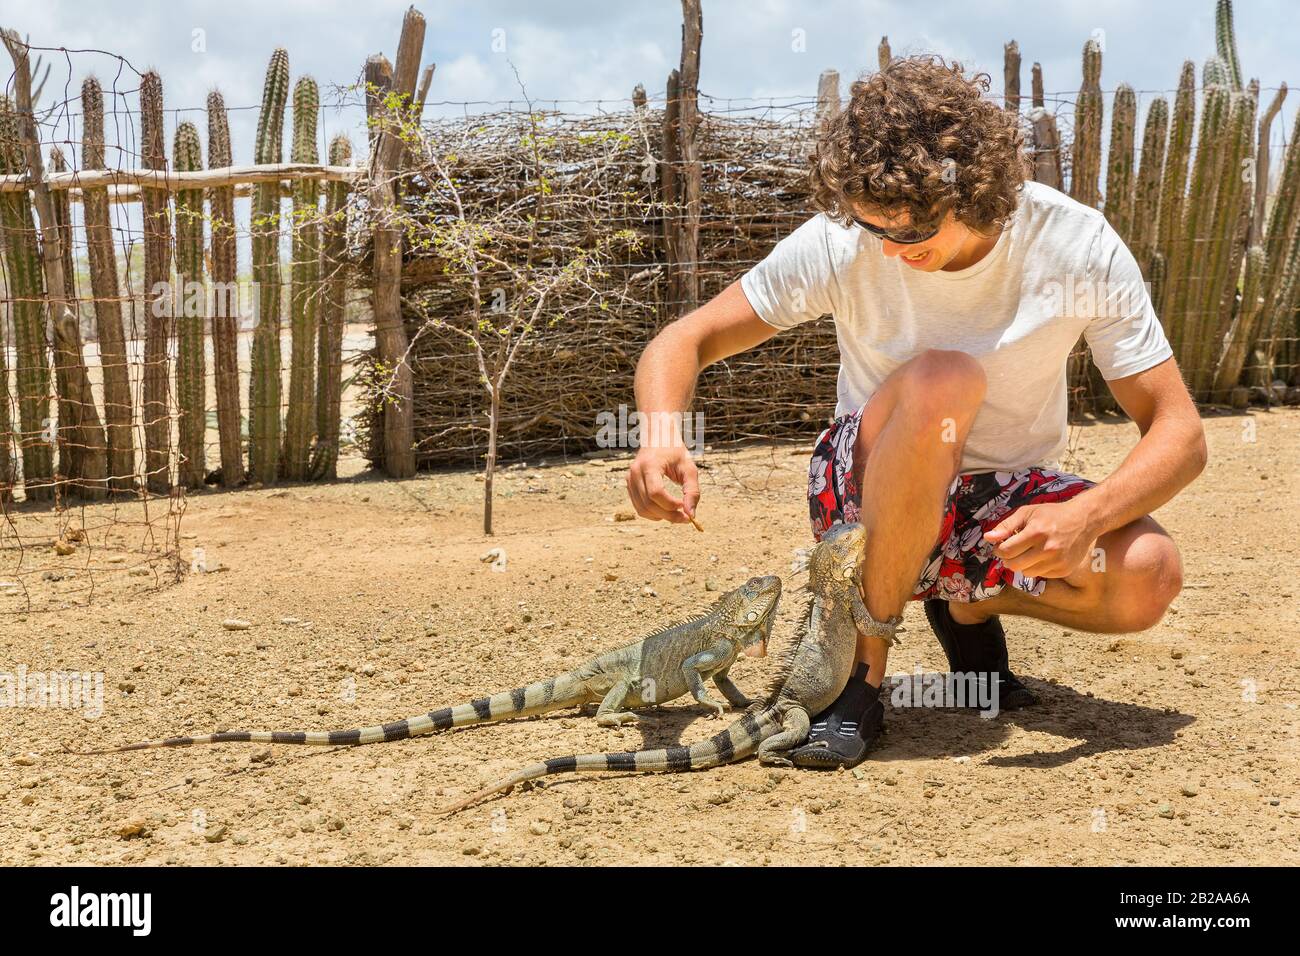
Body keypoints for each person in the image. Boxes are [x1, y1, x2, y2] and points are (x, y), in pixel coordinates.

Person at [625, 55, 1206, 768]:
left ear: (977, 191)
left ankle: (966, 604)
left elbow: (1179, 431)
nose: (892, 253)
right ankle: (861, 678)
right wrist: (658, 439)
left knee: (1150, 572)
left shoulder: (1076, 245)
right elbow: (685, 339)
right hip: (866, 487)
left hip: (1002, 497)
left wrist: (1086, 516)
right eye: (876, 231)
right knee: (943, 381)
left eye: (912, 236)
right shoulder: (845, 241)